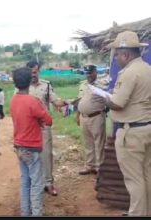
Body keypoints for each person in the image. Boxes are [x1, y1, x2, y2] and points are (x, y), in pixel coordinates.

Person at [102, 31, 151, 216]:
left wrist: (105, 99)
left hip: (131, 133)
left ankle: (138, 214)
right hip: (146, 128)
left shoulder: (129, 73)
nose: (116, 60)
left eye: (117, 55)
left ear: (126, 54)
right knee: (146, 175)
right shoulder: (148, 69)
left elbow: (117, 103)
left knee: (134, 180)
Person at [11, 67, 53, 216]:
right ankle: (37, 213)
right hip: (32, 146)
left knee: (25, 182)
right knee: (36, 183)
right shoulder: (32, 101)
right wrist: (40, 117)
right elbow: (48, 120)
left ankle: (25, 212)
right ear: (30, 81)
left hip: (19, 146)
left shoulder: (14, 100)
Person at [26, 60, 68, 196]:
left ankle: (48, 183)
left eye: (35, 72)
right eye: (31, 72)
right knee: (31, 156)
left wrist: (64, 102)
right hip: (29, 127)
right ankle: (34, 183)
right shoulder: (22, 86)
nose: (33, 74)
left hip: (44, 126)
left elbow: (55, 101)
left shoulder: (46, 85)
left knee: (46, 154)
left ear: (38, 71)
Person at [76, 64, 107, 175]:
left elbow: (108, 98)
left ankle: (100, 167)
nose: (88, 75)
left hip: (96, 117)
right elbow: (80, 100)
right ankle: (90, 165)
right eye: (87, 73)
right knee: (88, 143)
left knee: (99, 143)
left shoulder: (102, 85)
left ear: (95, 72)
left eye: (91, 73)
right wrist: (77, 115)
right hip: (84, 117)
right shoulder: (83, 85)